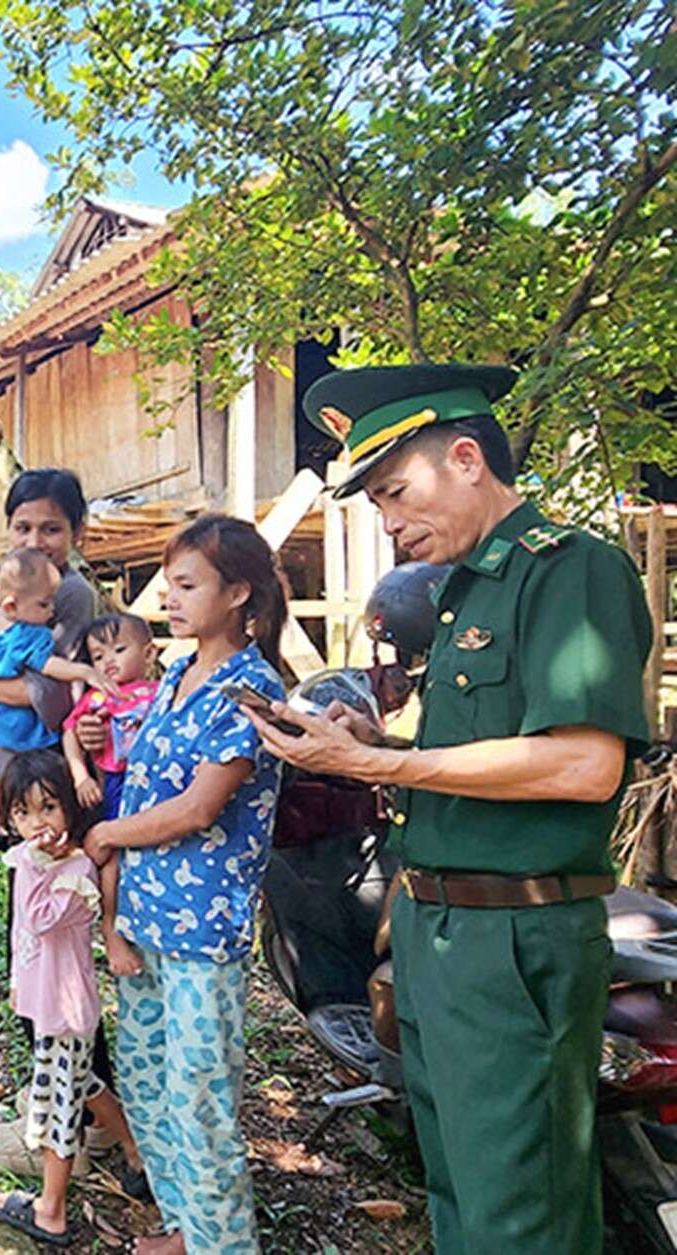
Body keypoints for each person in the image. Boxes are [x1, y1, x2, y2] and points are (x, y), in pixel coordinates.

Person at [248, 365, 652, 1254]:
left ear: (465, 457)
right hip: (437, 934)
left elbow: (584, 763)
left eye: (394, 494)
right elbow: (489, 760)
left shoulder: (571, 572)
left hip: (515, 941)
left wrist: (366, 759)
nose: (389, 524)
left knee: (522, 1216)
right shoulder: (466, 589)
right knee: (459, 1199)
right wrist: (380, 751)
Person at [85, 514, 290, 1255]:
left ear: (239, 591)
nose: (168, 598)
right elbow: (143, 780)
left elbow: (200, 806)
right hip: (144, 919)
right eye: (167, 583)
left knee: (201, 1097)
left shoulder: (249, 689)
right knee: (147, 1081)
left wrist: (107, 834)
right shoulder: (176, 672)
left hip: (202, 931)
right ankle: (187, 1227)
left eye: (187, 584)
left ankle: (222, 1246)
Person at [0, 750, 148, 1247]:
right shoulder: (30, 859)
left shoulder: (76, 872)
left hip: (65, 1009)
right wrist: (19, 987)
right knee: (84, 1081)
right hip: (47, 1003)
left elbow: (38, 920)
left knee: (59, 1109)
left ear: (71, 810)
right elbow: (22, 939)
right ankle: (135, 1149)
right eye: (23, 812)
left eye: (48, 808)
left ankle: (50, 1211)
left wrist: (40, 866)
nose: (36, 823)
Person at [0, 547, 116, 785]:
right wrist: (84, 671)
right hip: (24, 727)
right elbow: (49, 665)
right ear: (10, 606)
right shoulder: (30, 635)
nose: (51, 611)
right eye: (44, 604)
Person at [63, 613, 161, 822]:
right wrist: (81, 776)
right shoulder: (97, 697)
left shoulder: (162, 692)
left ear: (149, 654)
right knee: (117, 823)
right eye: (98, 657)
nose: (108, 660)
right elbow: (69, 732)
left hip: (158, 772)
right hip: (116, 777)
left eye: (119, 650)